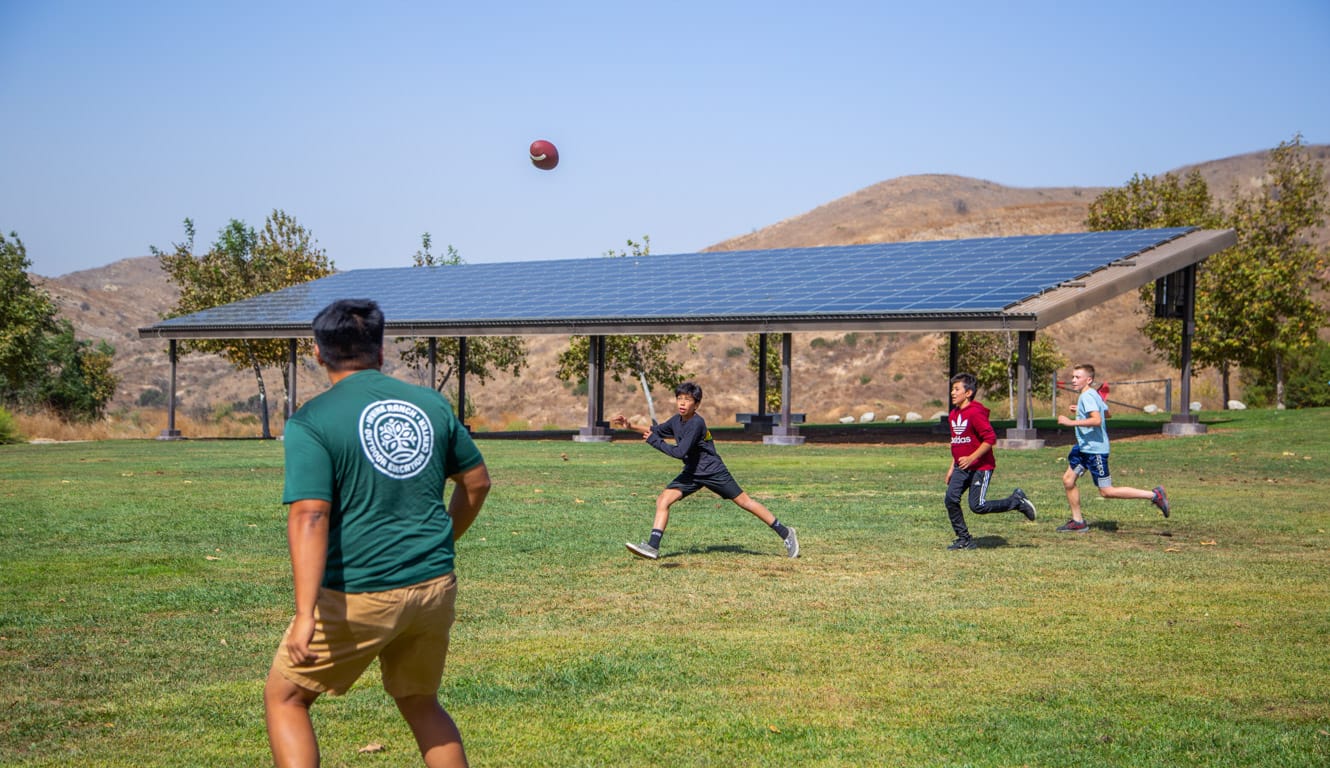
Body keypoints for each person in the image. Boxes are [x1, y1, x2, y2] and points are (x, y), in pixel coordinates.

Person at [264, 299, 491, 768]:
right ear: (381, 350)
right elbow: (477, 482)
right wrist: (444, 540)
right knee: (421, 702)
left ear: (318, 353)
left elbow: (309, 516)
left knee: (286, 698)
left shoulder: (312, 420)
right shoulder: (431, 404)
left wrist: (305, 613)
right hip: (433, 588)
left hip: (359, 593)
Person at [612, 381, 799, 560]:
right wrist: (630, 426)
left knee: (745, 502)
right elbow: (656, 430)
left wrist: (655, 442)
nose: (682, 403)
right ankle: (652, 547)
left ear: (697, 404)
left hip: (712, 471)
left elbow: (679, 452)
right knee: (663, 499)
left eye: (687, 399)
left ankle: (786, 532)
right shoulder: (677, 421)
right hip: (692, 472)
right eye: (679, 398)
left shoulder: (696, 423)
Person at [1055, 363, 1169, 532]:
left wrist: (1071, 422)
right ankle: (1077, 522)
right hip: (1084, 449)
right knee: (1068, 480)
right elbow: (1107, 413)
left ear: (1089, 379)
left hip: (1095, 452)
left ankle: (1154, 495)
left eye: (1077, 377)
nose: (1073, 380)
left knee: (1106, 491)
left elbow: (1097, 420)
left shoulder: (1087, 396)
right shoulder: (1092, 394)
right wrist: (1081, 410)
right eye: (1072, 377)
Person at [943, 373, 1037, 550]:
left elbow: (990, 439)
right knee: (950, 499)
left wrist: (972, 458)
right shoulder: (953, 414)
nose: (952, 393)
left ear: (968, 392)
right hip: (961, 467)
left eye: (957, 389)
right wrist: (952, 467)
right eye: (952, 389)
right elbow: (957, 442)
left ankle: (1016, 502)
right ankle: (964, 539)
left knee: (977, 506)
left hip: (981, 467)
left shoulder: (975, 413)